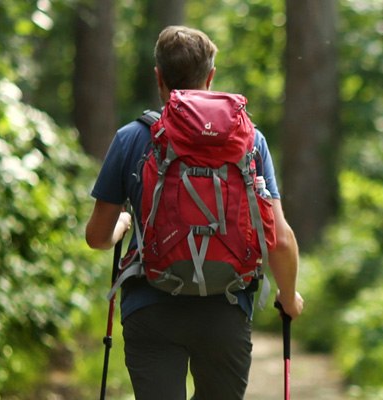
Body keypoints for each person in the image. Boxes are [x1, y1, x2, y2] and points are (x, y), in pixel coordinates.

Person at [84, 26, 303, 399]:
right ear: (211, 77)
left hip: (150, 306)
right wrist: (288, 295)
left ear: (158, 75)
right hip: (227, 307)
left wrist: (122, 224)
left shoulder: (131, 137)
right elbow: (278, 237)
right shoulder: (250, 139)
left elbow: (96, 238)